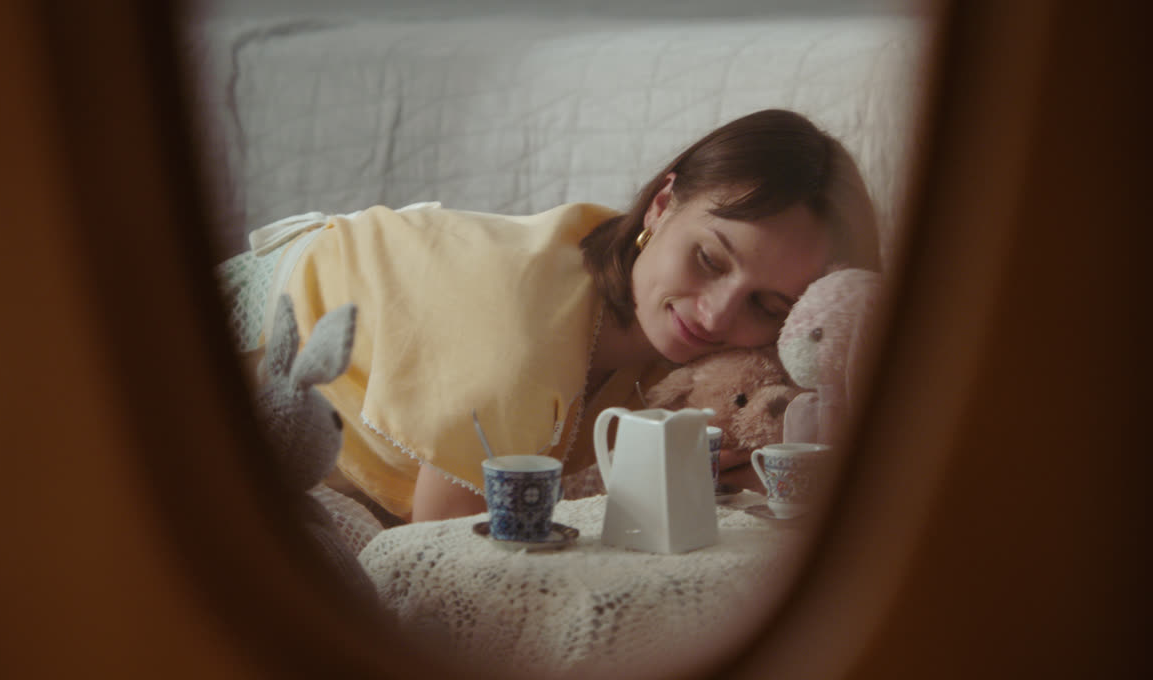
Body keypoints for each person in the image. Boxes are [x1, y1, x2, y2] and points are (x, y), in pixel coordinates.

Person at [246, 108, 880, 524]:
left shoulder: (688, 346)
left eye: (767, 305)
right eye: (709, 259)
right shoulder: (521, 335)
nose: (715, 316)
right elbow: (442, 555)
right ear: (662, 205)